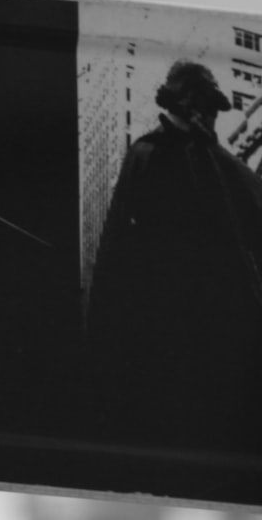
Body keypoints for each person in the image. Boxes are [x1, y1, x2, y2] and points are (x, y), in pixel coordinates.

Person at [88, 60, 262, 451]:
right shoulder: (149, 154)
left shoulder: (215, 161)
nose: (212, 116)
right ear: (191, 106)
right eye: (208, 107)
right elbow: (119, 247)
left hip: (211, 325)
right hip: (163, 321)